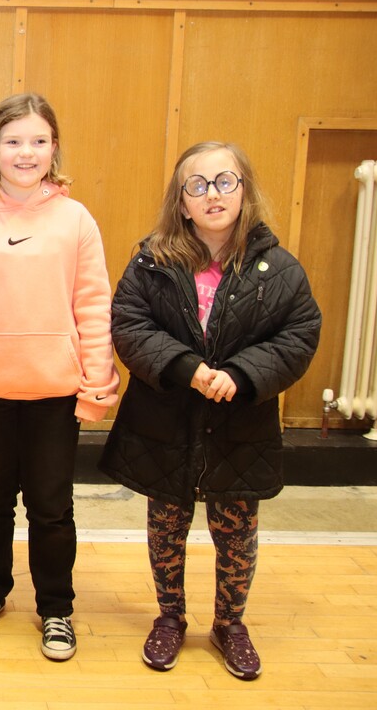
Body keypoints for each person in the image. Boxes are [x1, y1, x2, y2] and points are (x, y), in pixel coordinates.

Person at [99, 141, 321, 680]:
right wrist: (184, 367)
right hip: (166, 421)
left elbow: (299, 334)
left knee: (236, 531)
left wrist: (241, 375)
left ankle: (230, 624)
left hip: (239, 425)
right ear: (181, 202)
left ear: (244, 190)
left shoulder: (278, 268)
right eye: (196, 185)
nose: (212, 194)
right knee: (166, 525)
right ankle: (170, 617)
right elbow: (129, 325)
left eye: (225, 181)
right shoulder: (152, 261)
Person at [0, 93, 119, 662]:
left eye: (39, 140)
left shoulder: (76, 219)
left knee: (51, 506)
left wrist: (96, 384)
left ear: (54, 148)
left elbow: (93, 305)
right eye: (13, 140)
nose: (26, 151)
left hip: (55, 397)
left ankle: (56, 607)